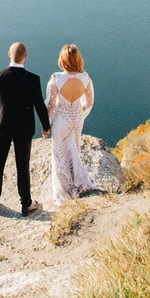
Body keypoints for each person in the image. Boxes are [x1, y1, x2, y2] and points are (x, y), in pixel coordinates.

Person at [0, 42, 51, 216]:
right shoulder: (32, 79)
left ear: (9, 54)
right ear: (26, 56)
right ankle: (26, 204)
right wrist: (46, 127)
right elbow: (39, 105)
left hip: (2, 126)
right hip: (24, 128)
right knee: (22, 166)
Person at [45, 44, 98, 205]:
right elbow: (89, 101)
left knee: (60, 153)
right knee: (74, 148)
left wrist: (46, 124)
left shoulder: (56, 78)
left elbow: (51, 105)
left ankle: (64, 188)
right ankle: (78, 183)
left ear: (63, 60)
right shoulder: (85, 78)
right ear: (78, 59)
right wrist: (77, 110)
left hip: (62, 119)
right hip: (77, 118)